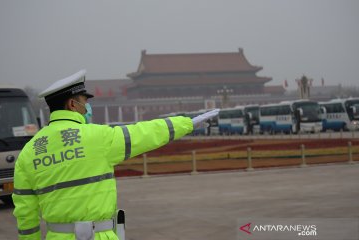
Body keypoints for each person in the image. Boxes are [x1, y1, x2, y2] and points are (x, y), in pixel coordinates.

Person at [12, 70, 219, 240]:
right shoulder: (98, 137)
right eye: (85, 101)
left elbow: (25, 216)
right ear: (72, 104)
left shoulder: (28, 153)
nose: (87, 108)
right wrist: (187, 123)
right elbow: (145, 133)